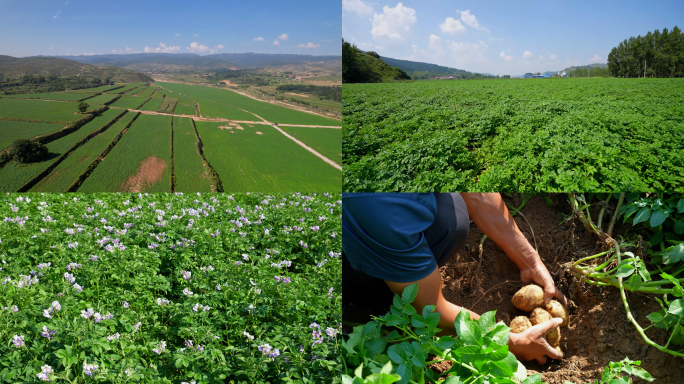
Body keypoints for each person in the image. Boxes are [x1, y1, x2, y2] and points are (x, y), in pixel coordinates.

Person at [343, 192, 567, 364]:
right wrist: (514, 342)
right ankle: (375, 286)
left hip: (384, 214)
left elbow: (478, 194)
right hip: (350, 228)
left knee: (452, 219)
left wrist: (529, 260)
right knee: (415, 303)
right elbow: (432, 311)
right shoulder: (386, 217)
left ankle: (401, 270)